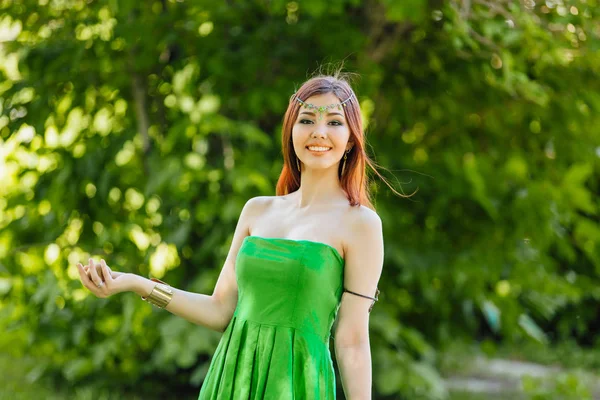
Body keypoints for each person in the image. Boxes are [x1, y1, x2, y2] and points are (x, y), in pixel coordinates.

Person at [78, 74, 388, 399]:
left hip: (297, 384)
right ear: (291, 132)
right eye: (307, 119)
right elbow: (220, 310)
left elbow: (352, 341)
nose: (319, 132)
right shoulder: (257, 211)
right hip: (230, 381)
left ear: (352, 139)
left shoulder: (361, 224)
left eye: (335, 122)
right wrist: (136, 283)